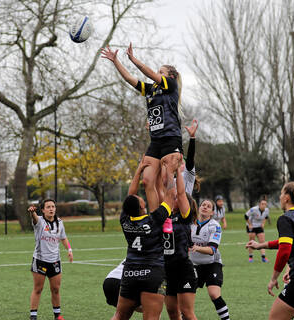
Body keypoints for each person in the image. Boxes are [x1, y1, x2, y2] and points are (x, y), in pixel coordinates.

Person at [101, 43, 182, 213]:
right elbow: (130, 79)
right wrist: (116, 61)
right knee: (147, 181)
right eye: (159, 72)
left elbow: (149, 72)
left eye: (162, 72)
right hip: (155, 141)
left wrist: (133, 59)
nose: (157, 74)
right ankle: (155, 220)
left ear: (171, 77)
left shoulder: (171, 86)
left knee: (168, 179)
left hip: (170, 138)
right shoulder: (151, 89)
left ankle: (170, 217)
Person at [111, 157, 176, 320]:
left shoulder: (125, 220)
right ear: (142, 208)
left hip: (130, 273)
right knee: (151, 317)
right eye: (142, 201)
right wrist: (170, 171)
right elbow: (171, 196)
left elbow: (130, 196)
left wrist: (139, 171)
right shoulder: (155, 219)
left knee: (119, 315)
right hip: (152, 272)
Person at [246, 176, 294, 320]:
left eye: (282, 193)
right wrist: (261, 245)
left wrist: (273, 278)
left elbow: (284, 251)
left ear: (287, 198)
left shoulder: (287, 218)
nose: (280, 196)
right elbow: (290, 242)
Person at [28, 199, 73, 320]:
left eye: (53, 206)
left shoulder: (59, 222)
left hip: (55, 261)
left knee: (56, 289)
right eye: (48, 207)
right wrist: (32, 212)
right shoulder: (39, 222)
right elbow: (34, 218)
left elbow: (63, 238)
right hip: (40, 261)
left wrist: (69, 250)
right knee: (38, 289)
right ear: (43, 210)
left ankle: (57, 315)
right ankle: (33, 316)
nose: (51, 209)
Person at [163, 167, 198, 320]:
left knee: (187, 313)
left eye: (177, 198)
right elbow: (163, 188)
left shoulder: (184, 217)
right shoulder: (165, 216)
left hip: (183, 269)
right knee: (172, 312)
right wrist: (166, 169)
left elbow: (182, 193)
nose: (174, 198)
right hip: (167, 270)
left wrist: (177, 170)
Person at [190, 199, 231, 320]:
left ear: (212, 212)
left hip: (212, 264)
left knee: (214, 294)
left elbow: (212, 249)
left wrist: (196, 247)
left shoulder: (215, 226)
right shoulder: (190, 224)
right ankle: (184, 316)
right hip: (194, 265)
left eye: (208, 206)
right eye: (203, 205)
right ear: (199, 208)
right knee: (185, 294)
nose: (205, 207)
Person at [245, 197, 270, 263]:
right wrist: (250, 224)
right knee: (251, 242)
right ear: (259, 204)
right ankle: (250, 257)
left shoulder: (267, 210)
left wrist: (263, 223)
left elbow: (266, 217)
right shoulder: (253, 209)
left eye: (265, 204)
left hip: (259, 226)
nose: (264, 205)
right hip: (252, 226)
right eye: (262, 204)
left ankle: (263, 257)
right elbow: (246, 216)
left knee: (262, 241)